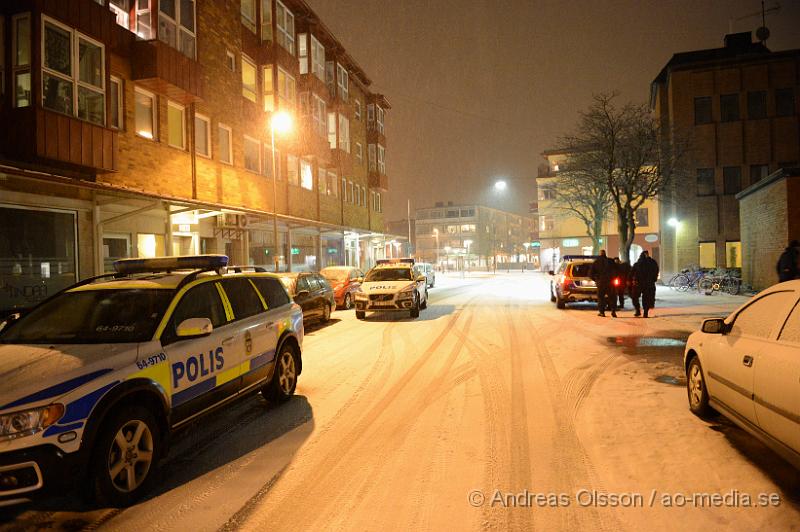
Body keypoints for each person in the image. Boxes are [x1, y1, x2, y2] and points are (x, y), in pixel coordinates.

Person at [631, 250, 659, 318]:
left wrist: (632, 280)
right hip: (648, 283)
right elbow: (656, 271)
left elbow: (632, 272)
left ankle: (638, 310)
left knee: (635, 297)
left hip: (639, 283)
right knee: (646, 298)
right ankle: (645, 313)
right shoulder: (652, 263)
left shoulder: (638, 263)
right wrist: (654, 279)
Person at [590, 249, 617, 317]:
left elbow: (590, 274)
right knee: (612, 297)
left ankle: (602, 312)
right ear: (605, 254)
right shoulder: (611, 261)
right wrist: (614, 278)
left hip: (601, 283)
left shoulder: (596, 262)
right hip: (611, 283)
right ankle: (613, 311)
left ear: (600, 254)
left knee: (601, 298)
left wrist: (596, 280)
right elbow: (617, 270)